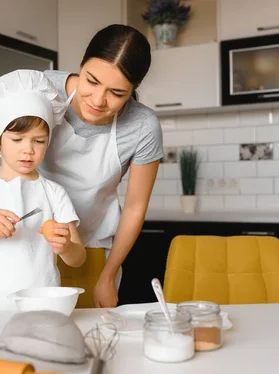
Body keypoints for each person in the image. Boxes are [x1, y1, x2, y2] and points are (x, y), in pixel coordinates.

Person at [39, 24, 164, 308]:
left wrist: (107, 277)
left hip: (93, 251)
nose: (97, 100)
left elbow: (134, 207)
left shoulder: (143, 126)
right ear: (81, 63)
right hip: (31, 244)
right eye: (91, 81)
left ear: (135, 89)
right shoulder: (43, 89)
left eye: (117, 93)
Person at [0, 69, 86, 311]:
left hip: (43, 306)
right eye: (17, 139)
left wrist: (65, 247)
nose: (28, 150)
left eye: (39, 141)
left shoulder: (54, 193)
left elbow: (78, 259)